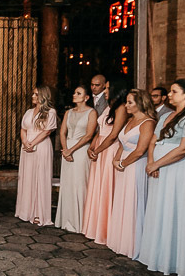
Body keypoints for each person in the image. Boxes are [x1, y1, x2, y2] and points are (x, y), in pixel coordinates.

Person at [137, 79, 185, 276]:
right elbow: (153, 141)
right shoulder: (166, 116)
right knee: (159, 208)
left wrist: (157, 163)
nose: (169, 95)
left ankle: (175, 259)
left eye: (174, 91)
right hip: (159, 169)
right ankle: (156, 255)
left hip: (177, 169)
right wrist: (151, 161)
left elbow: (184, 148)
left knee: (174, 208)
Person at [107, 90, 156, 259]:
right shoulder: (130, 120)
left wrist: (123, 163)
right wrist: (116, 159)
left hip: (136, 165)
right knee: (122, 200)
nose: (126, 105)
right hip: (123, 165)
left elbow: (140, 150)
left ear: (140, 103)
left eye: (130, 102)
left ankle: (134, 244)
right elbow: (122, 143)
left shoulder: (148, 123)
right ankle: (120, 240)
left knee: (134, 202)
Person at [83, 87, 129, 244]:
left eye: (108, 88)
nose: (105, 90)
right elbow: (100, 130)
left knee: (107, 185)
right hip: (100, 146)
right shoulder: (109, 107)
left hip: (110, 149)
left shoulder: (121, 108)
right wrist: (92, 146)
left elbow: (114, 134)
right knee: (98, 185)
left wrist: (98, 150)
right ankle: (95, 226)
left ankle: (106, 230)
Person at [55, 85, 98, 232]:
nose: (74, 95)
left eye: (78, 93)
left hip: (80, 151)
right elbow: (62, 132)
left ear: (86, 97)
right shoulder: (68, 112)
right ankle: (66, 220)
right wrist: (65, 149)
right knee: (67, 184)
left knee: (80, 184)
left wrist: (71, 150)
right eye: (74, 92)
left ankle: (81, 222)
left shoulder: (92, 112)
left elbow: (89, 135)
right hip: (67, 149)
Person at [15, 86, 58, 226]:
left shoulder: (50, 112)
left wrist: (32, 143)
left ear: (43, 96)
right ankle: (25, 211)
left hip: (41, 146)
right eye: (33, 93)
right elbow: (23, 129)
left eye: (36, 94)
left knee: (40, 177)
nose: (33, 96)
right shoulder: (28, 112)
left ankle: (39, 213)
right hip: (27, 146)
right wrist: (25, 142)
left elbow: (47, 132)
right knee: (27, 177)